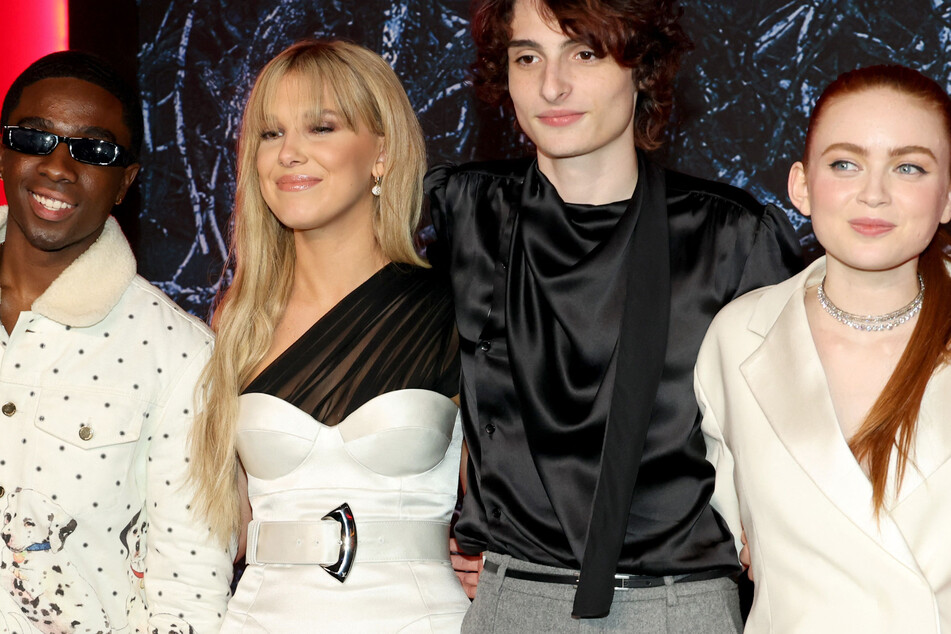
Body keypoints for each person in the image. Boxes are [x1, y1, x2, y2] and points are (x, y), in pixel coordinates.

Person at [426, 0, 802, 629]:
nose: (552, 85)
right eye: (527, 57)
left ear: (644, 68)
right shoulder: (463, 212)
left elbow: (799, 443)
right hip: (512, 601)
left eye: (585, 52)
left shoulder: (730, 236)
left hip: (680, 605)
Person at [189, 40, 471, 632]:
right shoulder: (236, 324)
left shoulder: (457, 312)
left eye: (320, 128)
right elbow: (219, 531)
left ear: (382, 154)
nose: (289, 153)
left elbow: (518, 508)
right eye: (270, 134)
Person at [696, 65, 951, 633]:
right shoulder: (736, 339)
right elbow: (736, 541)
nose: (874, 193)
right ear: (801, 186)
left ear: (948, 194)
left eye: (908, 167)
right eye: (845, 164)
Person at [0, 51, 232, 633]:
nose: (57, 165)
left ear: (126, 181)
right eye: (34, 137)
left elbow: (189, 587)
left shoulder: (178, 353)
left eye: (93, 150)